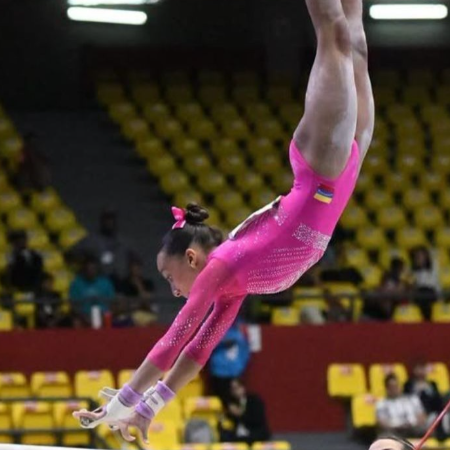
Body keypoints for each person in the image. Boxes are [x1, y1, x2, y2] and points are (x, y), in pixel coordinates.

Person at [74, 0, 374, 443]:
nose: (172, 290)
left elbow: (174, 339)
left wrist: (123, 400)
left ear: (192, 258)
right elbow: (197, 351)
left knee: (336, 35)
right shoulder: (233, 287)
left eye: (169, 277)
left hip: (321, 168)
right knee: (356, 43)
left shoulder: (222, 266)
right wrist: (148, 410)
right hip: (343, 173)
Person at [218, 379, 271, 444]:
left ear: (243, 387)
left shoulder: (254, 400)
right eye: (232, 389)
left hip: (254, 433)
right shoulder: (231, 404)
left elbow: (257, 420)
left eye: (237, 388)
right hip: (239, 435)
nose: (235, 391)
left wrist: (240, 414)